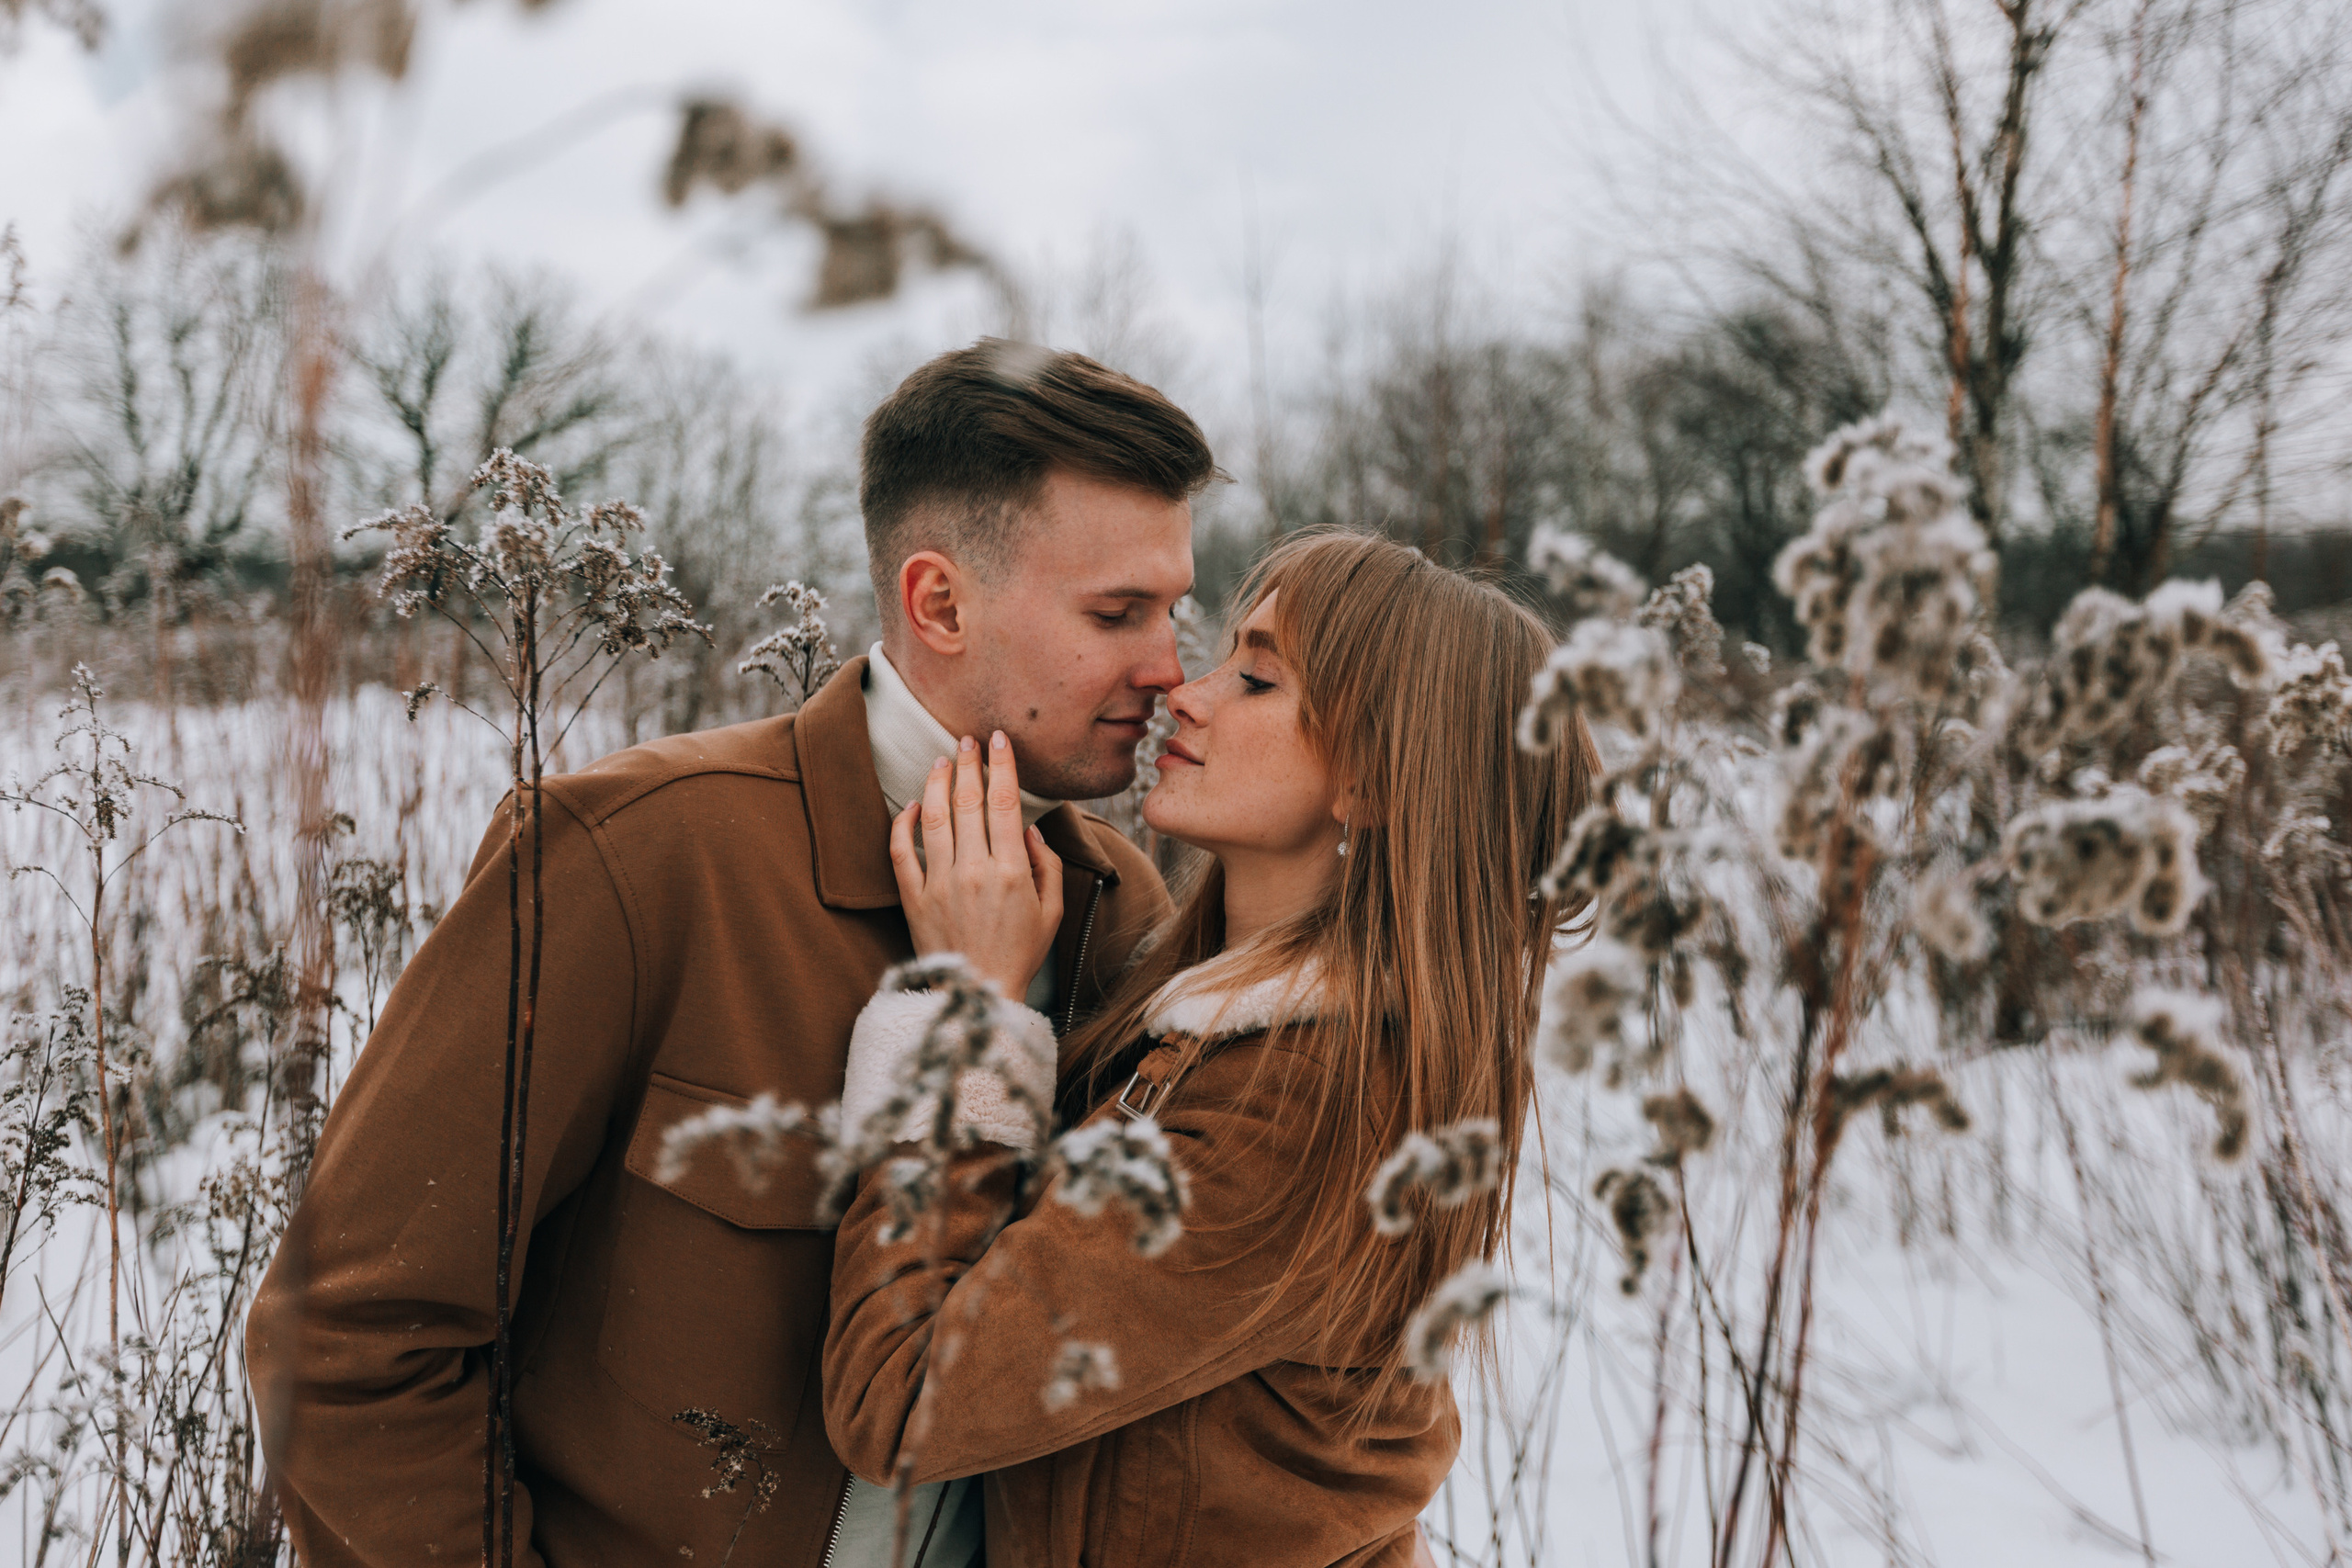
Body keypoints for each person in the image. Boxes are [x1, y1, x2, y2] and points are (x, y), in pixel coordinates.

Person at [244, 340, 1216, 1566]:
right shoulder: (637, 857)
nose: (1170, 666)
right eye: (1116, 611)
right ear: (941, 602)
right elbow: (345, 1338)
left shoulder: (1113, 908)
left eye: (1173, 607)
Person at [822, 529, 1600, 1566]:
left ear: (1371, 781)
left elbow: (905, 1400)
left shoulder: (1300, 1106)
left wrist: (968, 1018)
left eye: (1258, 678)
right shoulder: (1222, 1029)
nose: (1188, 693)